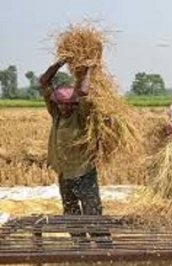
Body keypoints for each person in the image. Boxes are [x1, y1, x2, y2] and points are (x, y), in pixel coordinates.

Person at [39, 60, 110, 245]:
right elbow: (44, 82)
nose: (66, 107)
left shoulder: (82, 115)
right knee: (71, 217)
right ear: (57, 103)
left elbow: (84, 93)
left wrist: (87, 70)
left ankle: (105, 253)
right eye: (62, 103)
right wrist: (60, 62)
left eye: (70, 103)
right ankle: (81, 252)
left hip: (84, 173)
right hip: (64, 174)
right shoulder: (56, 115)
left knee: (93, 217)